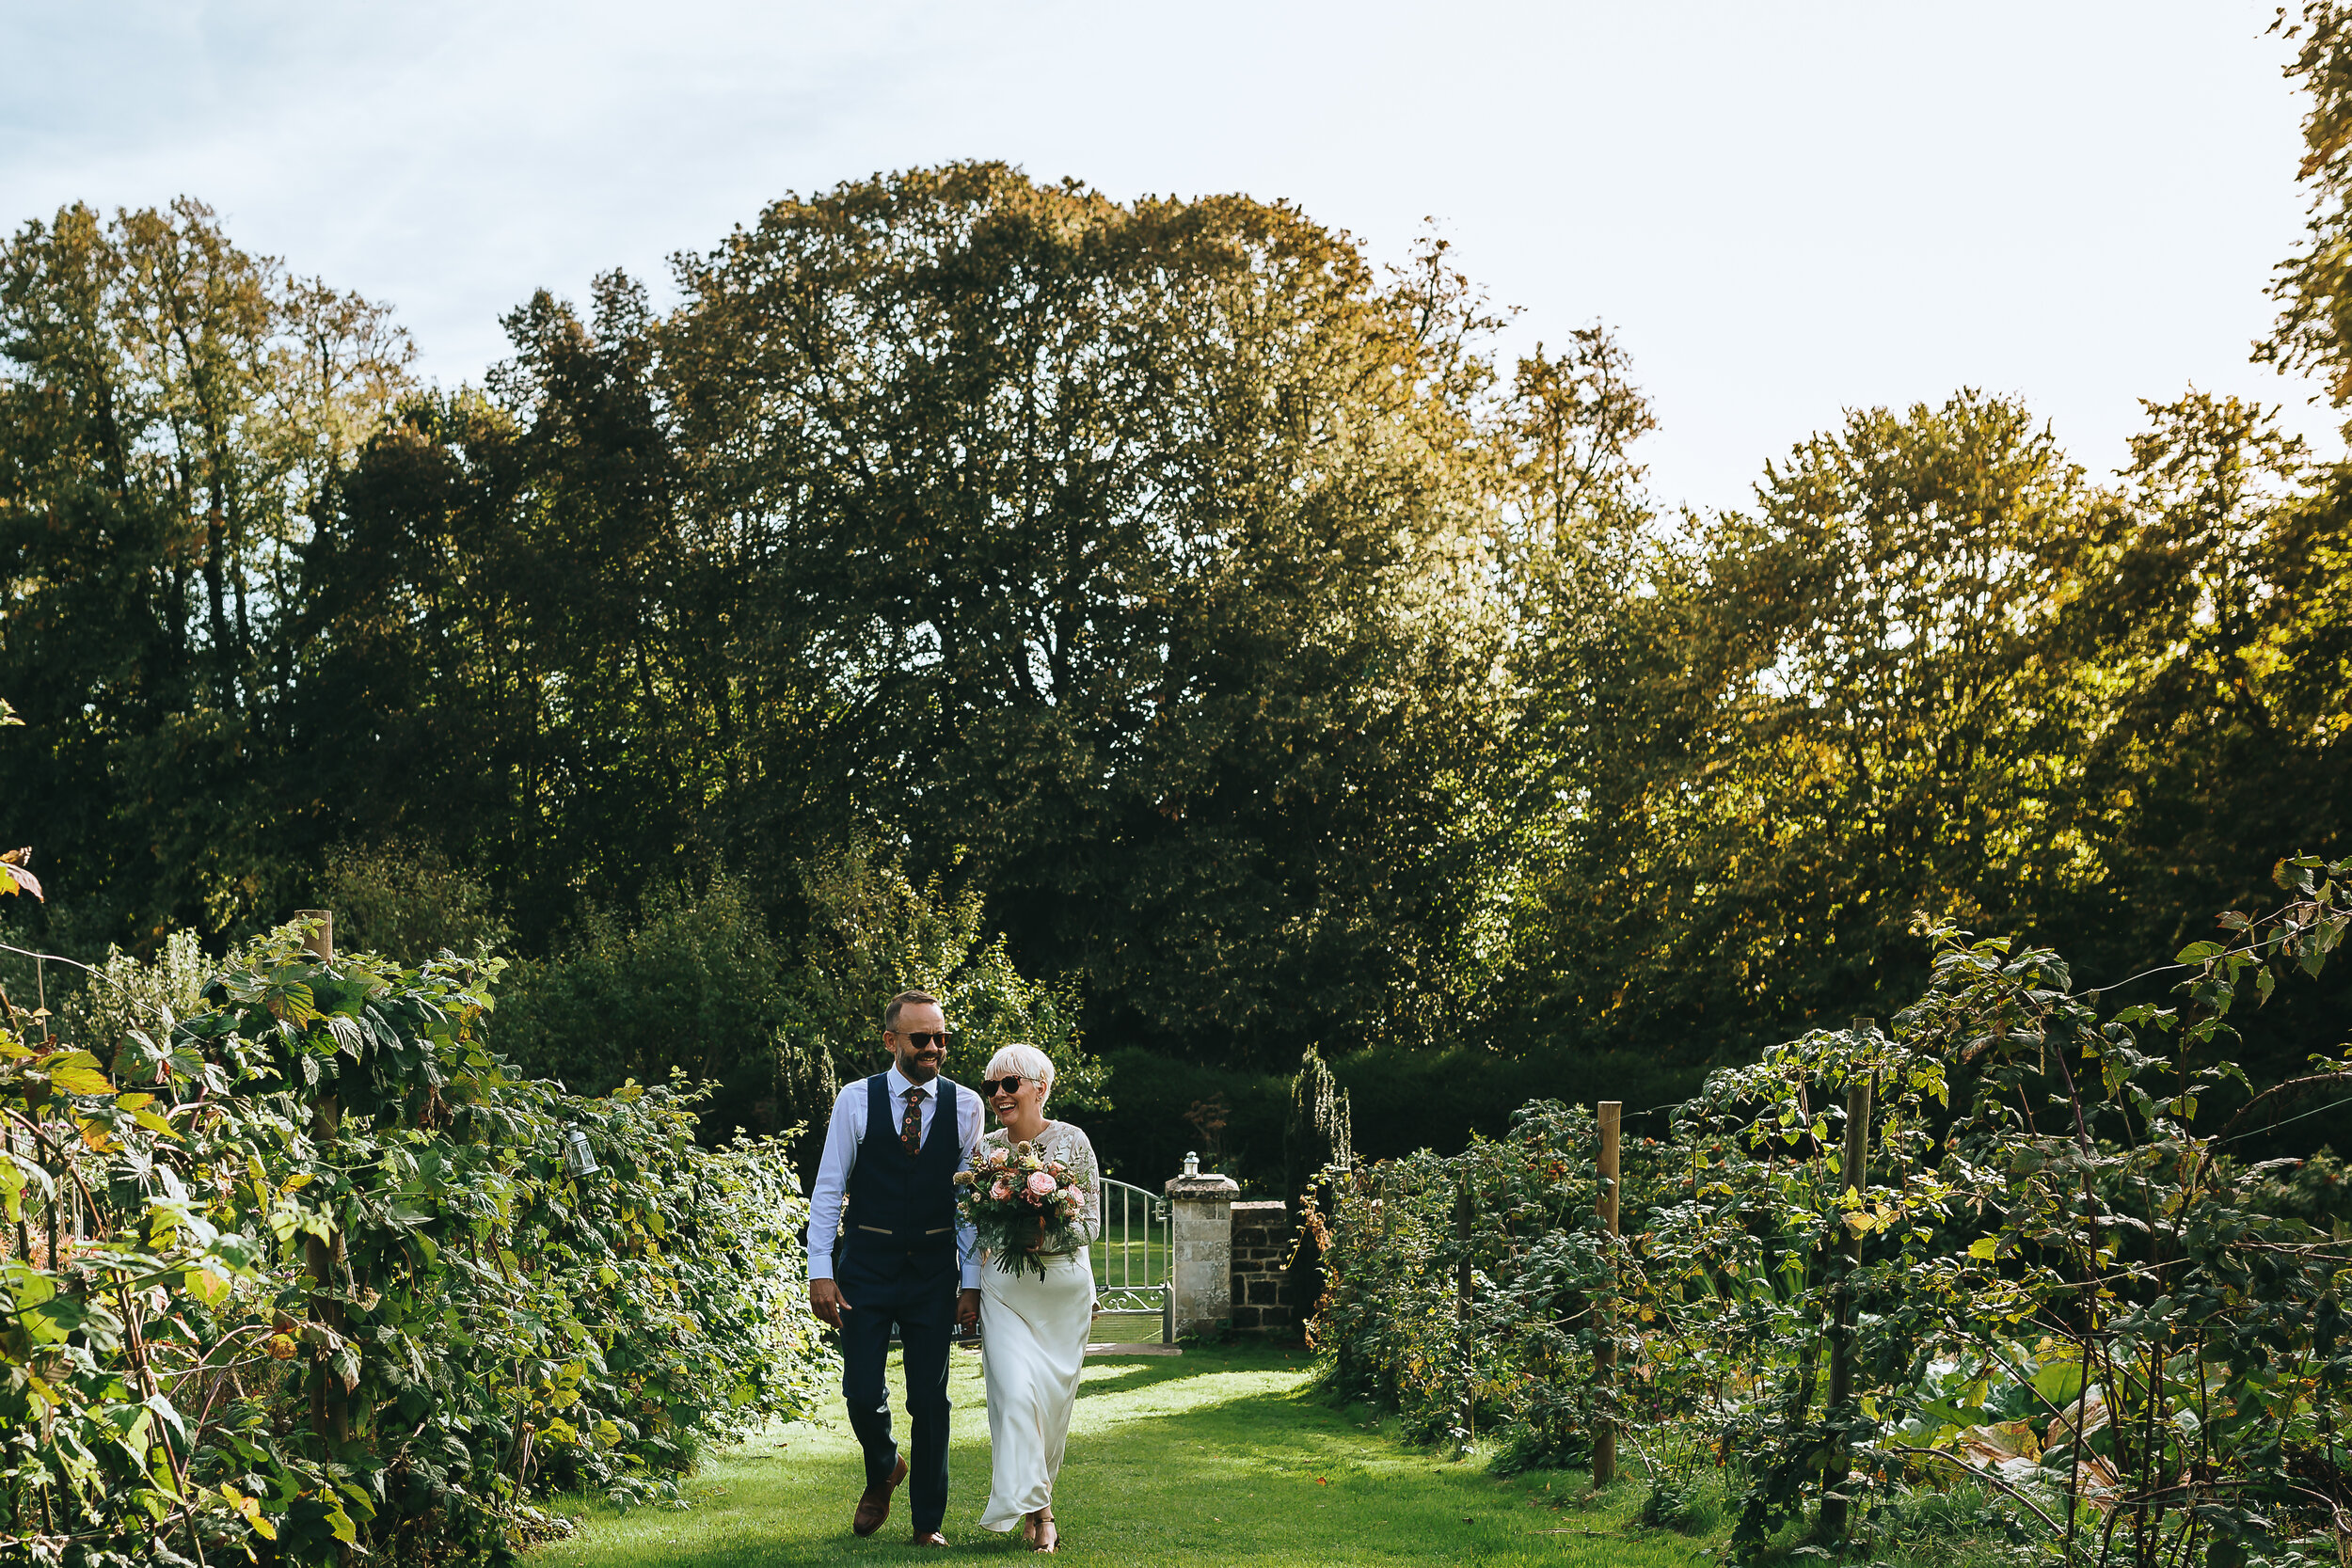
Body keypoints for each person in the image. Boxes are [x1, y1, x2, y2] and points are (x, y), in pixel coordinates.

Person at [806, 990, 984, 1547]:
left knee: (930, 1399)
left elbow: (969, 1205)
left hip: (933, 1271)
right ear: (892, 1041)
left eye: (941, 1038)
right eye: (921, 1038)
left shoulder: (967, 1105)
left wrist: (971, 1282)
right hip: (866, 1267)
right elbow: (830, 1190)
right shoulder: (855, 1100)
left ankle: (927, 1523)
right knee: (861, 1390)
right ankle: (884, 1464)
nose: (934, 1048)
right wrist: (820, 1270)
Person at [974, 1043, 1100, 1554]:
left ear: (1040, 1088)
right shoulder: (984, 1151)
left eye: (1010, 1085)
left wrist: (1044, 1235)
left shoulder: (1073, 1142)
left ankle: (1033, 1498)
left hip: (1061, 1293)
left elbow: (1089, 1224)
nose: (999, 1095)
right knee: (1014, 1394)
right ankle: (1042, 1511)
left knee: (1050, 1405)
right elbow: (976, 1224)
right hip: (1005, 1287)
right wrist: (1008, 1234)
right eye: (991, 1087)